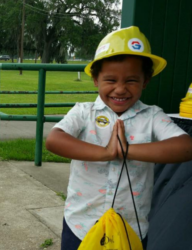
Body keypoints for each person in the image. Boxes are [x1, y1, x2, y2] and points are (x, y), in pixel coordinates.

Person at [45, 26, 192, 250]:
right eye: (111, 80)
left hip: (131, 228)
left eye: (131, 80)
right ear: (95, 79)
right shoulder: (84, 112)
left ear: (146, 80)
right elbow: (54, 140)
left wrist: (127, 150)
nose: (120, 89)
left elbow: (185, 147)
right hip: (82, 225)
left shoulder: (152, 116)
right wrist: (106, 153)